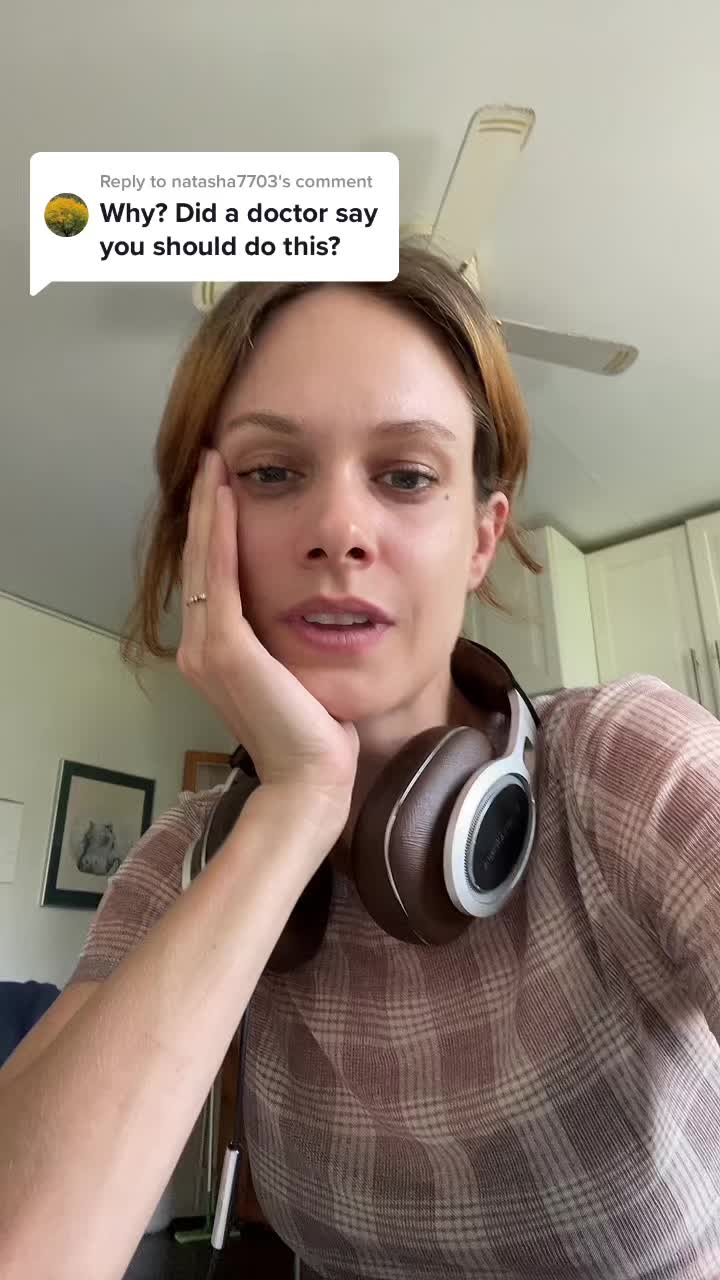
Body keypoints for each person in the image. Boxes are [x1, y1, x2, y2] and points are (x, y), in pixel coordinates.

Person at [2, 245, 720, 1280]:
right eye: (272, 472)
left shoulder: (628, 765)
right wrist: (294, 805)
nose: (339, 529)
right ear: (207, 530)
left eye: (407, 474)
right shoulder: (184, 865)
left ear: (481, 539)